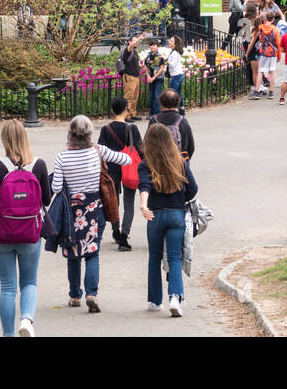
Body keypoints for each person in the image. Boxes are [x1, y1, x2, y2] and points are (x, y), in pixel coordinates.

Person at [0, 120, 50, 337]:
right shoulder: (39, 165)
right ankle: (27, 320)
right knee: (29, 282)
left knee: (7, 287)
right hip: (30, 235)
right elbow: (45, 199)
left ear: (4, 139)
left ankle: (8, 334)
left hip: (1, 235)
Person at [52, 115, 129, 312]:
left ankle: (74, 295)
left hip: (72, 212)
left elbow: (56, 187)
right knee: (92, 253)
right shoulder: (98, 151)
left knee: (74, 254)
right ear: (89, 133)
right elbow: (126, 159)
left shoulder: (62, 157)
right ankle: (92, 293)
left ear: (69, 133)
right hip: (95, 210)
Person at [138, 123, 198, 317]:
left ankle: (155, 301)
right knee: (174, 257)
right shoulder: (179, 161)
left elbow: (144, 186)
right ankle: (175, 297)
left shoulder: (145, 164)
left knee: (154, 257)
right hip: (176, 213)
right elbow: (193, 188)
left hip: (154, 215)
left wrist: (144, 205)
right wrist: (181, 197)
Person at [99, 97, 142, 251]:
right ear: (126, 109)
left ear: (112, 110)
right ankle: (124, 236)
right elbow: (140, 149)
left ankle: (115, 230)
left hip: (112, 169)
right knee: (129, 203)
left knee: (113, 201)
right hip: (129, 168)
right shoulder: (132, 128)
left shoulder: (106, 129)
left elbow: (100, 151)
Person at [148, 88, 195, 160]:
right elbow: (191, 146)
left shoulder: (154, 120)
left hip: (158, 162)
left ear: (161, 102)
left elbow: (148, 143)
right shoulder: (182, 121)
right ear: (177, 103)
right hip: (178, 161)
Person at [250, 12, 281, 99]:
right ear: (273, 19)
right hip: (273, 52)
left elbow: (261, 39)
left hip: (263, 52)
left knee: (260, 72)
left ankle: (256, 91)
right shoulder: (275, 29)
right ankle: (271, 92)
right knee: (272, 72)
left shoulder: (261, 28)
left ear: (266, 18)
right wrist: (279, 56)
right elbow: (278, 43)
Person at [118, 34, 143, 116]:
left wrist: (140, 66)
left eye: (137, 41)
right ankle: (126, 115)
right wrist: (139, 38)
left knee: (135, 97)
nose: (137, 42)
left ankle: (132, 114)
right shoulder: (128, 50)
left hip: (136, 76)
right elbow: (131, 46)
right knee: (128, 97)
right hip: (129, 76)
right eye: (135, 41)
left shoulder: (134, 51)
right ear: (129, 42)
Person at [142, 38, 166, 119]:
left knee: (156, 96)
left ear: (157, 46)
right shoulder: (148, 57)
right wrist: (148, 76)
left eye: (154, 45)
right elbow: (146, 68)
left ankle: (157, 114)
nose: (152, 47)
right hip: (150, 79)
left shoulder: (160, 56)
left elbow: (161, 68)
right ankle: (151, 113)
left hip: (158, 79)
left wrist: (154, 77)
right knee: (151, 96)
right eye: (151, 45)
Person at [165, 36, 187, 106]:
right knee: (178, 93)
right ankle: (181, 108)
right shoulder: (173, 51)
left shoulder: (174, 53)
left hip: (176, 75)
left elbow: (172, 65)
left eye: (171, 41)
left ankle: (173, 109)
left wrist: (166, 61)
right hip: (178, 74)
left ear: (175, 44)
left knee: (172, 94)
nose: (169, 42)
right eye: (170, 40)